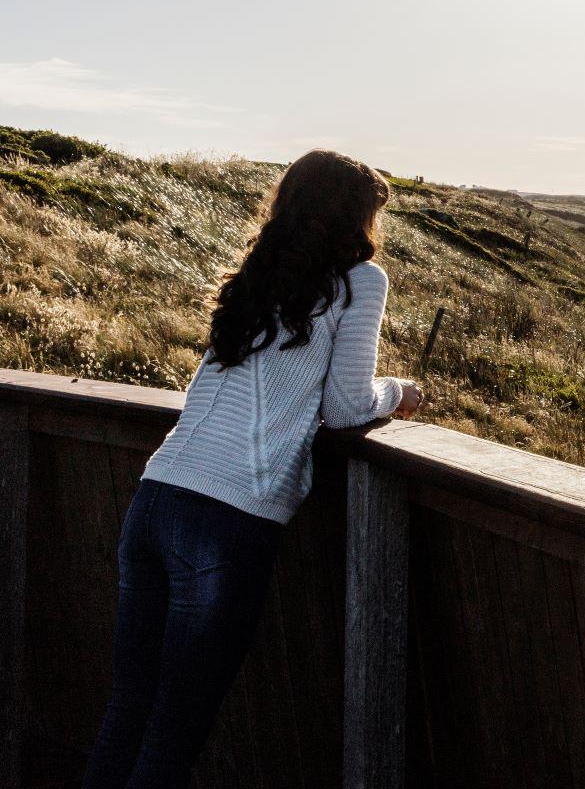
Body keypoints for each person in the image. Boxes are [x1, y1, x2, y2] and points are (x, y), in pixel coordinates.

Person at [84, 150, 424, 789]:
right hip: (228, 519)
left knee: (127, 710)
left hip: (157, 497)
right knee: (172, 732)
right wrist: (398, 392)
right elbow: (348, 404)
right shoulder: (360, 280)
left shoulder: (255, 277)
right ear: (352, 219)